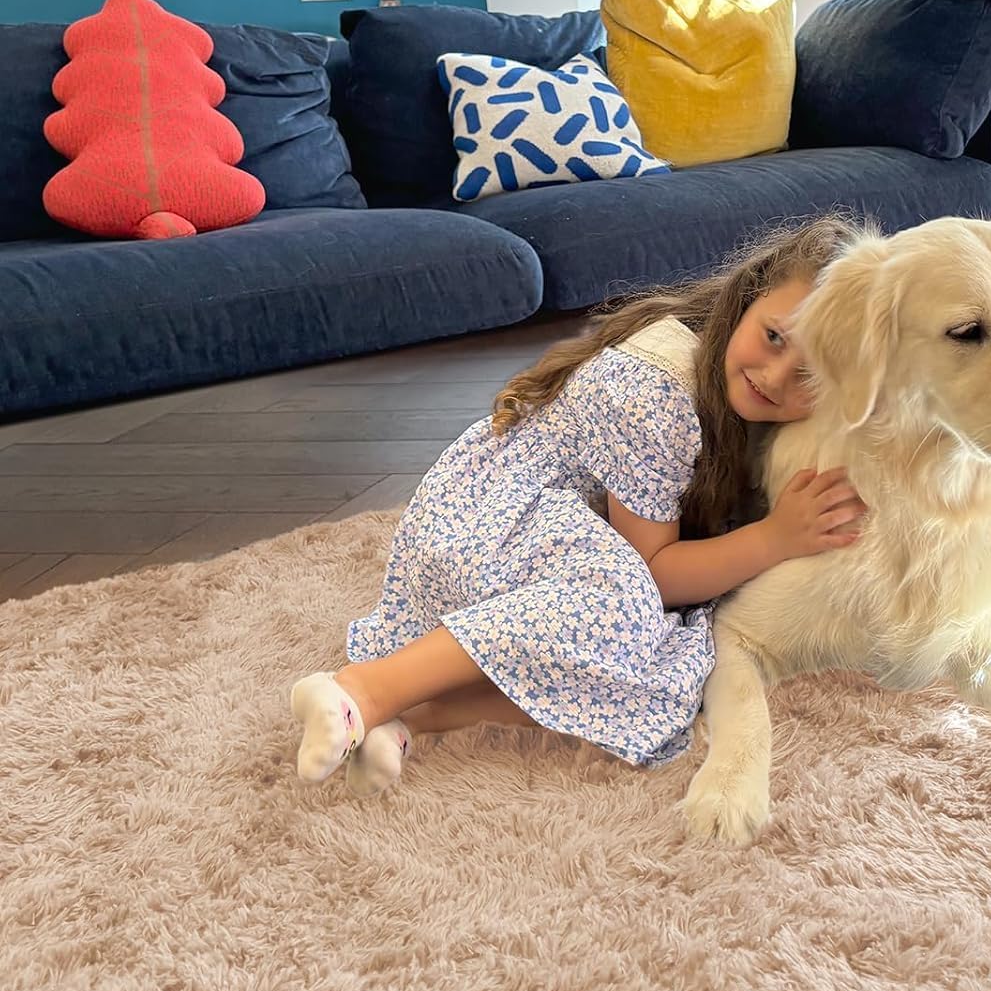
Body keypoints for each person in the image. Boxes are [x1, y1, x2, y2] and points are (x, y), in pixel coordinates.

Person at [288, 216, 867, 795]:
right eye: (773, 337)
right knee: (623, 610)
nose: (775, 376)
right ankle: (363, 690)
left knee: (675, 675)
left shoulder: (744, 399)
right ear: (749, 297)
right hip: (491, 526)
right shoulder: (656, 390)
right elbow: (654, 574)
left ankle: (410, 718)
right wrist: (773, 538)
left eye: (810, 374)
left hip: (555, 542)